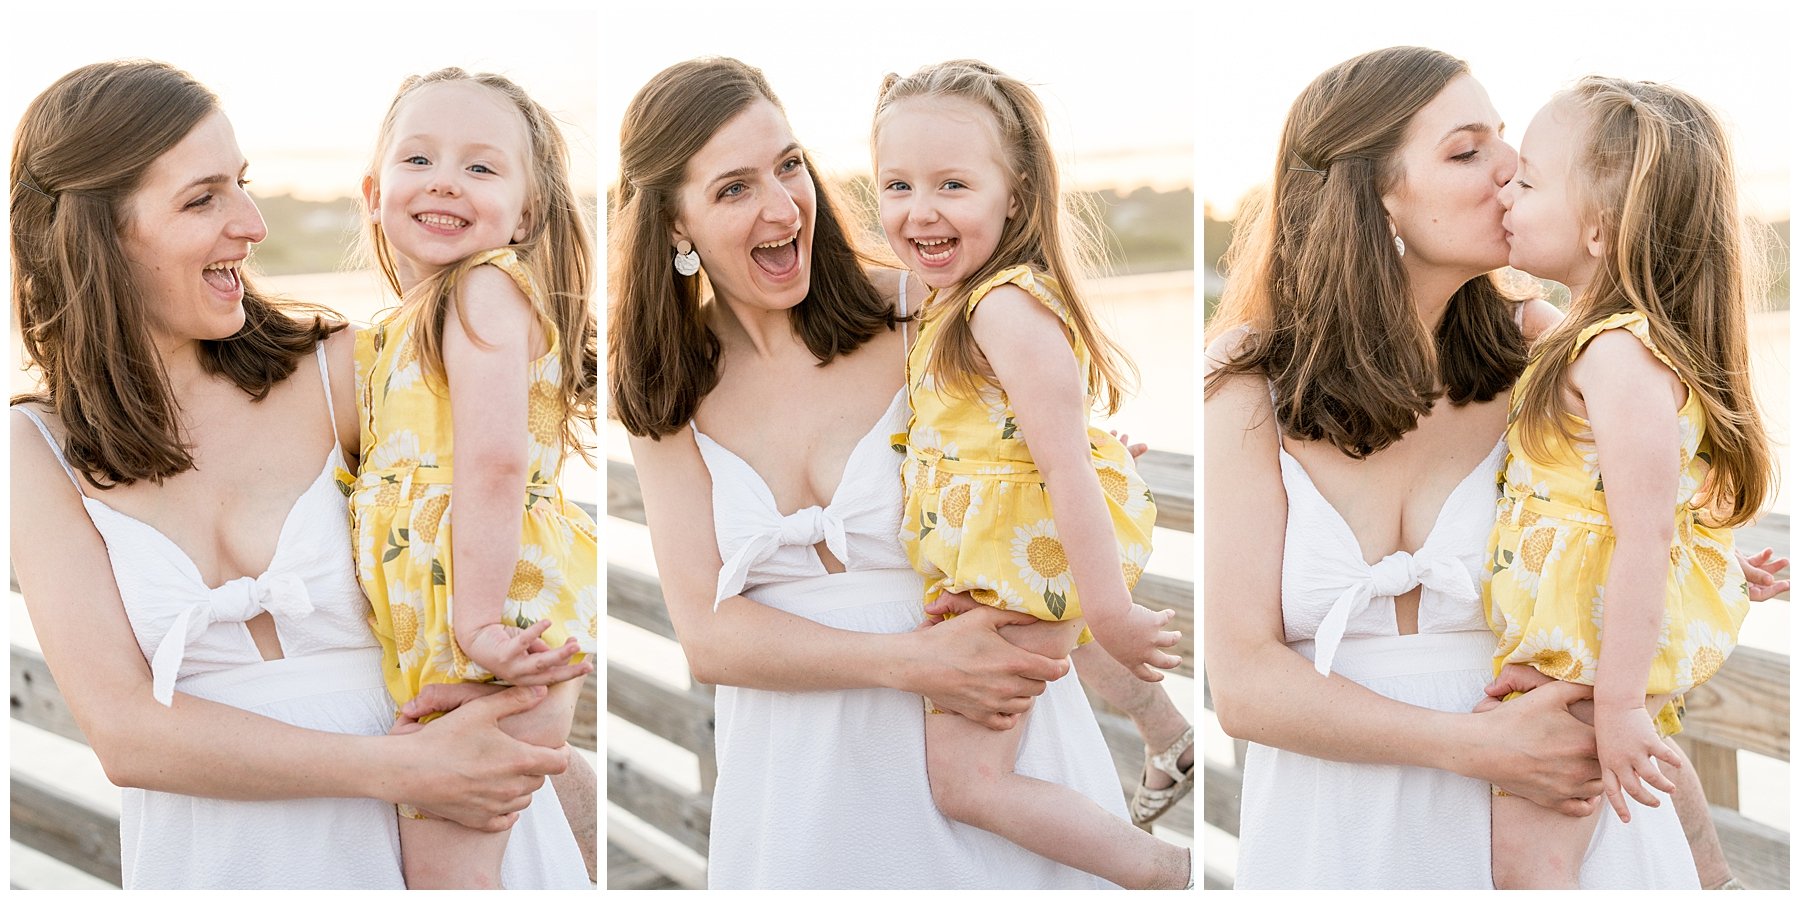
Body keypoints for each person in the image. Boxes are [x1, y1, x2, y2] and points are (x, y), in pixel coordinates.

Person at [1203, 46, 1784, 889]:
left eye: (1504, 140)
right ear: (1375, 196)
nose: (1511, 167)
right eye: (1467, 150)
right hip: (1338, 835)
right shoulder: (1249, 382)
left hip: (1555, 810)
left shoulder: (1545, 353)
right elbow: (1246, 688)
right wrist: (1474, 745)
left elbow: (1649, 521)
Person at [9, 59, 590, 889]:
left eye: (242, 184)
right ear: (98, 233)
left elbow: (519, 528)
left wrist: (529, 733)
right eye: (203, 197)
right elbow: (125, 733)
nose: (252, 224)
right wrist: (401, 772)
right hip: (227, 863)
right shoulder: (36, 450)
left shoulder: (341, 368)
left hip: (442, 834)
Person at [612, 57, 1167, 889]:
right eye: (733, 189)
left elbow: (1038, 459)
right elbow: (710, 634)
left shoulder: (922, 313)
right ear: (674, 224)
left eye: (789, 165)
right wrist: (912, 664)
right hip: (800, 783)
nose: (782, 206)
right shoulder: (666, 389)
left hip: (982, 739)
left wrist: (1090, 458)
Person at [872, 59, 1188, 889]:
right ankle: (1166, 756)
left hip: (1026, 568)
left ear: (1013, 195)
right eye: (897, 185)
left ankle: (1162, 871)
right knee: (969, 775)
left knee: (967, 782)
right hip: (999, 567)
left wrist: (1112, 615)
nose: (920, 210)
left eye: (952, 184)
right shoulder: (955, 300)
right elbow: (1023, 438)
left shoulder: (1001, 306)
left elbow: (1063, 468)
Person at [1483, 76, 1774, 888]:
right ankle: (1715, 882)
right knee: (1650, 777)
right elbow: (1657, 504)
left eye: (1530, 180)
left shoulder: (1617, 357)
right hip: (1583, 652)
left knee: (1527, 865)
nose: (1507, 185)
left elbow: (1644, 534)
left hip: (1586, 656)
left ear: (1602, 229)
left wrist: (1614, 708)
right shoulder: (1586, 338)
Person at [346, 67, 599, 888]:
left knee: (449, 873)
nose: (445, 180)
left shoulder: (484, 291)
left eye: (480, 167)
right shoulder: (402, 323)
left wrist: (480, 622)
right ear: (374, 190)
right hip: (461, 626)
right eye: (418, 160)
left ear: (527, 211)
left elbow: (494, 464)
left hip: (490, 619)